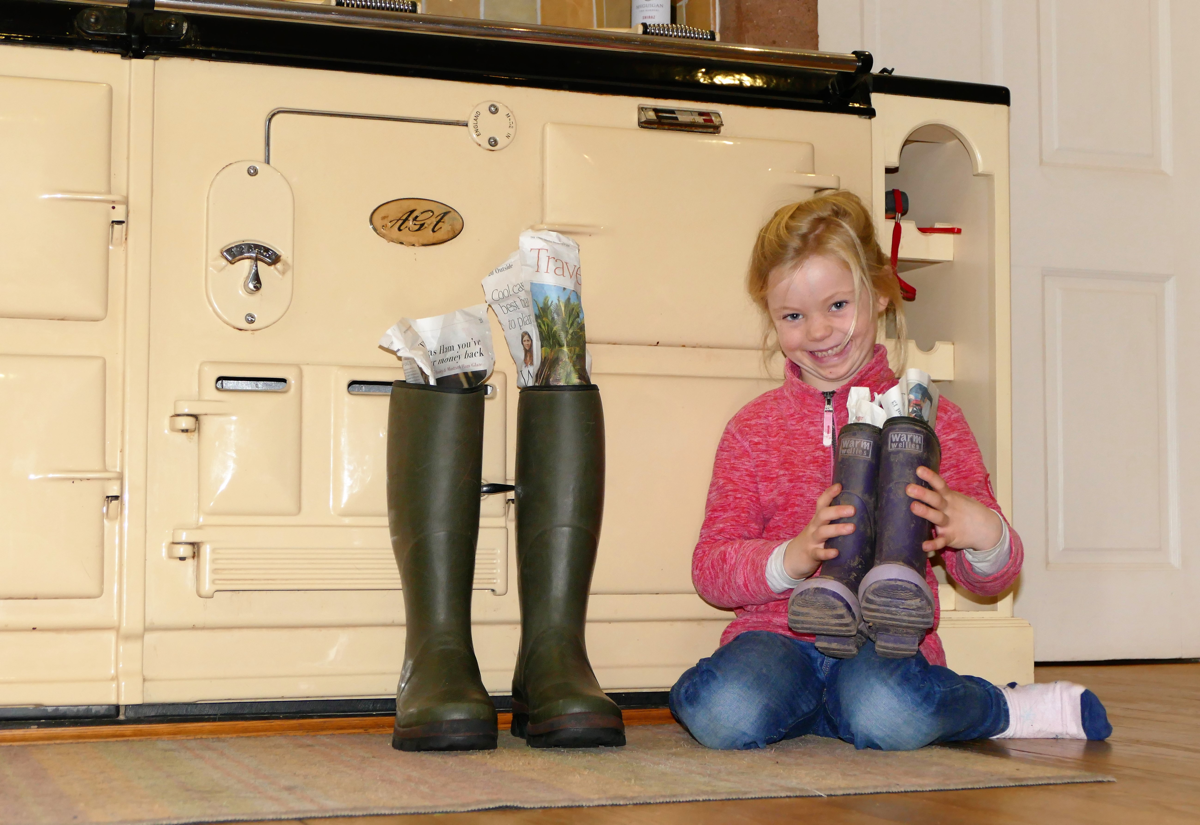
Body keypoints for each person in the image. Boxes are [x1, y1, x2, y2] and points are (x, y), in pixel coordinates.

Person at [669, 191, 1112, 751]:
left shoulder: (934, 421)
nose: (819, 332)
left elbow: (990, 579)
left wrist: (982, 532)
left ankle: (1000, 706)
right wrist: (792, 556)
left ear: (880, 293)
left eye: (837, 305)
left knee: (887, 710)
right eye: (792, 316)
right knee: (720, 711)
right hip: (774, 635)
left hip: (888, 640)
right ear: (772, 318)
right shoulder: (752, 429)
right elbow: (711, 568)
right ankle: (828, 711)